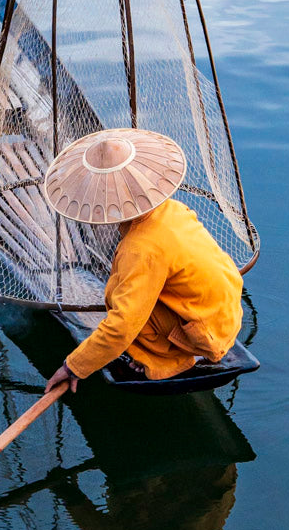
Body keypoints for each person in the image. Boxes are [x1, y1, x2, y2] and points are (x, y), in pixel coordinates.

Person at [43, 129, 243, 392]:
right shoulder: (173, 209)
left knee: (121, 303)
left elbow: (121, 328)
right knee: (130, 293)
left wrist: (74, 367)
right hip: (225, 314)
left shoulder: (139, 249)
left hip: (206, 335)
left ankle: (168, 360)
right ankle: (176, 348)